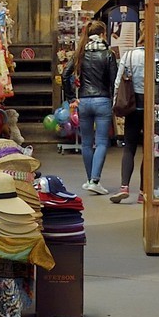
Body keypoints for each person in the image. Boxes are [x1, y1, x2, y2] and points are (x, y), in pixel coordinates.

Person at [63, 15, 118, 193]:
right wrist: (114, 100)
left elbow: (65, 74)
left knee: (86, 143)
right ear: (103, 34)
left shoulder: (81, 53)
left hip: (84, 101)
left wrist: (72, 98)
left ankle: (89, 180)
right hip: (103, 100)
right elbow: (114, 80)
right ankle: (95, 180)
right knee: (101, 142)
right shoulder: (108, 54)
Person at [111, 36, 146, 203]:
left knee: (129, 146)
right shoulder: (156, 56)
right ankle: (143, 191)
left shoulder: (129, 55)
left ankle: (124, 186)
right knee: (150, 150)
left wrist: (116, 105)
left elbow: (118, 81)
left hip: (132, 105)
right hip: (152, 106)